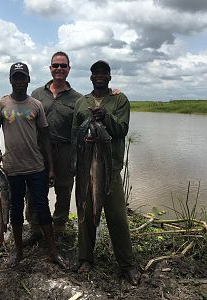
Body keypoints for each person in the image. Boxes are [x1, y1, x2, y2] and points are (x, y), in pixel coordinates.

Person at [0, 62, 67, 269]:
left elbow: (45, 138)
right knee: (15, 209)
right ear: (10, 80)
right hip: (12, 169)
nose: (19, 81)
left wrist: (50, 168)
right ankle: (19, 252)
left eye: (23, 77)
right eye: (16, 77)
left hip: (36, 167)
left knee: (42, 207)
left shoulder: (36, 105)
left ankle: (53, 252)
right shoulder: (0, 105)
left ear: (28, 80)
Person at [71, 60, 140, 285]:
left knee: (118, 217)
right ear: (91, 77)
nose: (99, 75)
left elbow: (121, 129)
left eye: (104, 73)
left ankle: (127, 265)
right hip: (84, 168)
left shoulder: (120, 99)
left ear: (109, 77)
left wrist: (104, 117)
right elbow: (75, 135)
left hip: (109, 169)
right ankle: (85, 258)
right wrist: (75, 163)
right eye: (96, 73)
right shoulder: (82, 102)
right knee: (85, 213)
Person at [24, 52, 82, 244]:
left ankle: (59, 227)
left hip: (65, 150)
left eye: (63, 66)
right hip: (39, 149)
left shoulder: (78, 99)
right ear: (50, 68)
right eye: (55, 65)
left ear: (69, 69)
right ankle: (34, 227)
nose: (59, 69)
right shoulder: (37, 94)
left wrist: (113, 93)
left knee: (64, 189)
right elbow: (25, 116)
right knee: (33, 190)